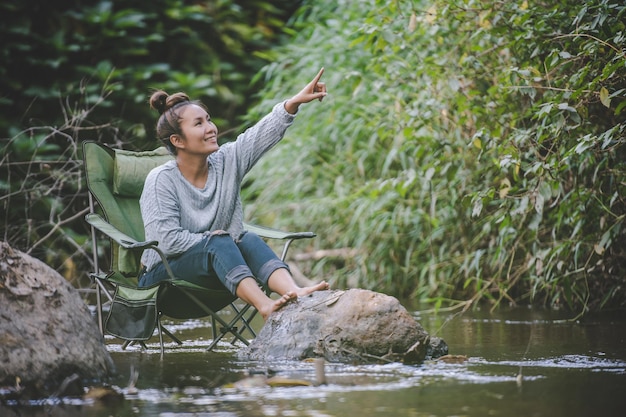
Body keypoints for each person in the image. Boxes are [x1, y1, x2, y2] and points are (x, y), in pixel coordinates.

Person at [138, 68, 330, 319]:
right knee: (221, 241)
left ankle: (295, 292)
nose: (211, 128)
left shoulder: (226, 161)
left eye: (208, 119)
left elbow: (259, 135)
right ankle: (265, 306)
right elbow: (167, 242)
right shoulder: (161, 180)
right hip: (165, 282)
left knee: (246, 239)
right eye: (199, 124)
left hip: (215, 275)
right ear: (178, 140)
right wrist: (216, 241)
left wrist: (292, 103)